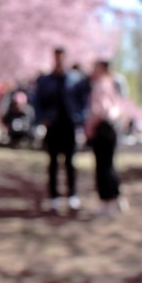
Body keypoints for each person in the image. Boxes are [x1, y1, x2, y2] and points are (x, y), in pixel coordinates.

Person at [33, 47, 89, 212]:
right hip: (53, 126)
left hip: (69, 125)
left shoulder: (75, 80)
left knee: (70, 162)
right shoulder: (45, 80)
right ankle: (54, 197)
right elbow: (37, 101)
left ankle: (72, 195)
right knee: (53, 163)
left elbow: (83, 101)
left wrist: (80, 118)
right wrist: (42, 118)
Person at [85, 59, 127, 215]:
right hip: (112, 127)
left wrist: (90, 127)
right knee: (109, 164)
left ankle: (107, 202)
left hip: (102, 127)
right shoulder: (114, 83)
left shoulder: (100, 85)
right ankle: (117, 197)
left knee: (103, 166)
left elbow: (99, 110)